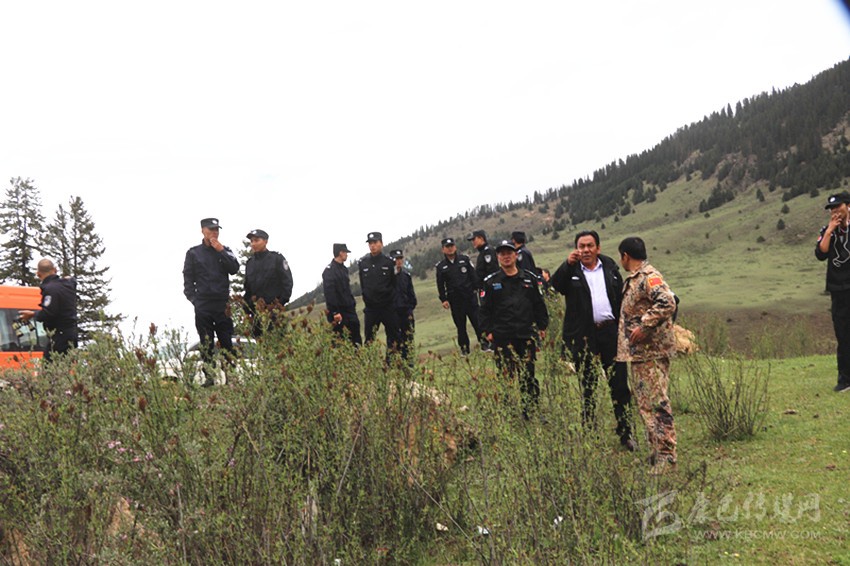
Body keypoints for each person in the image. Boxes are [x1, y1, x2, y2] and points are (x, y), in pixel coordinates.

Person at [550, 230, 634, 450]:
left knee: (619, 385)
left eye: (590, 245)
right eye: (581, 246)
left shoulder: (610, 268)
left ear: (598, 247)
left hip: (610, 333)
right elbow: (554, 287)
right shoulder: (571, 271)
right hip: (584, 335)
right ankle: (590, 433)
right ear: (576, 249)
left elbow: (620, 299)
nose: (585, 250)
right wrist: (566, 265)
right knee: (588, 385)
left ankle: (626, 433)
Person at [616, 236, 678, 474]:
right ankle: (657, 449)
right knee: (645, 404)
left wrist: (645, 326)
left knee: (656, 402)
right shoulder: (636, 278)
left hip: (652, 352)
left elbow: (668, 302)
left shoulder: (648, 277)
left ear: (625, 256)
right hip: (641, 354)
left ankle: (667, 455)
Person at [479, 240, 549, 419]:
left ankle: (530, 410)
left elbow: (538, 304)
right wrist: (488, 332)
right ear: (498, 257)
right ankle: (508, 412)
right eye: (502, 254)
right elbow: (484, 310)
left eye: (509, 253)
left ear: (516, 255)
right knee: (506, 376)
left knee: (528, 375)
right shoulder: (491, 282)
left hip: (526, 334)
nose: (506, 257)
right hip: (502, 336)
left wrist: (542, 326)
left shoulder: (529, 278)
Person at [182, 217, 240, 386]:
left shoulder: (225, 250)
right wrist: (194, 300)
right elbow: (188, 278)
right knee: (206, 342)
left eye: (216, 230)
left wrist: (221, 251)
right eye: (210, 229)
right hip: (203, 305)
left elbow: (234, 269)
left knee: (226, 341)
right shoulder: (193, 253)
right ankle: (209, 377)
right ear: (203, 231)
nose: (214, 233)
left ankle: (231, 377)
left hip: (222, 304)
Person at [816, 192, 850, 392]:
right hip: (838, 290)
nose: (835, 211)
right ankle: (845, 380)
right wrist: (830, 230)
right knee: (843, 335)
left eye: (838, 207)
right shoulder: (827, 230)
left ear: (848, 206)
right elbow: (821, 254)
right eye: (832, 209)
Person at [19, 258, 77, 362]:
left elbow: (49, 313)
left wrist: (33, 314)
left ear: (38, 274)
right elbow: (72, 281)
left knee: (49, 366)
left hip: (59, 335)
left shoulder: (50, 289)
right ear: (55, 270)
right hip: (72, 333)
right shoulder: (68, 285)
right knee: (66, 366)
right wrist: (70, 279)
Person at [435, 237, 486, 355]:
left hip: (470, 297)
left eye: (451, 246)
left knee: (477, 321)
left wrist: (477, 289)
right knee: (460, 326)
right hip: (455, 300)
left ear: (455, 247)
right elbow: (440, 285)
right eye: (447, 247)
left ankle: (484, 343)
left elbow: (473, 276)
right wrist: (443, 299)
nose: (450, 249)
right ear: (443, 249)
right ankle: (464, 349)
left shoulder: (465, 260)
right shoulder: (441, 266)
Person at [243, 228, 293, 337]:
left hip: (274, 313)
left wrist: (279, 305)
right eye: (251, 241)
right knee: (259, 345)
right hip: (256, 315)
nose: (253, 244)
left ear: (265, 241)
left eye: (257, 240)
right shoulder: (250, 263)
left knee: (276, 343)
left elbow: (287, 283)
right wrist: (247, 309)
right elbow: (247, 289)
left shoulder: (277, 259)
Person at [358, 232, 400, 355]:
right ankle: (370, 364)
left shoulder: (389, 262)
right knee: (369, 339)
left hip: (387, 307)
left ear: (381, 243)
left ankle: (392, 363)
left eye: (375, 243)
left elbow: (394, 284)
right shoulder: (363, 263)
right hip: (371, 308)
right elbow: (363, 284)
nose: (372, 246)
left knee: (393, 337)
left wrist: (391, 301)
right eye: (370, 243)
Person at [323, 243, 362, 347]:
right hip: (338, 313)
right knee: (340, 342)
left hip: (349, 310)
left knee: (356, 341)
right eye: (345, 252)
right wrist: (335, 312)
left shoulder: (344, 269)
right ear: (340, 253)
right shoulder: (329, 271)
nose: (347, 255)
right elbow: (330, 293)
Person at [390, 249, 417, 365]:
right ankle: (395, 363)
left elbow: (411, 294)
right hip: (394, 312)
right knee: (395, 338)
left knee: (409, 336)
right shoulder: (388, 277)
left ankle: (409, 361)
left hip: (406, 311)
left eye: (400, 258)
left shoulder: (406, 275)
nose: (399, 261)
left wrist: (410, 307)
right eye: (396, 259)